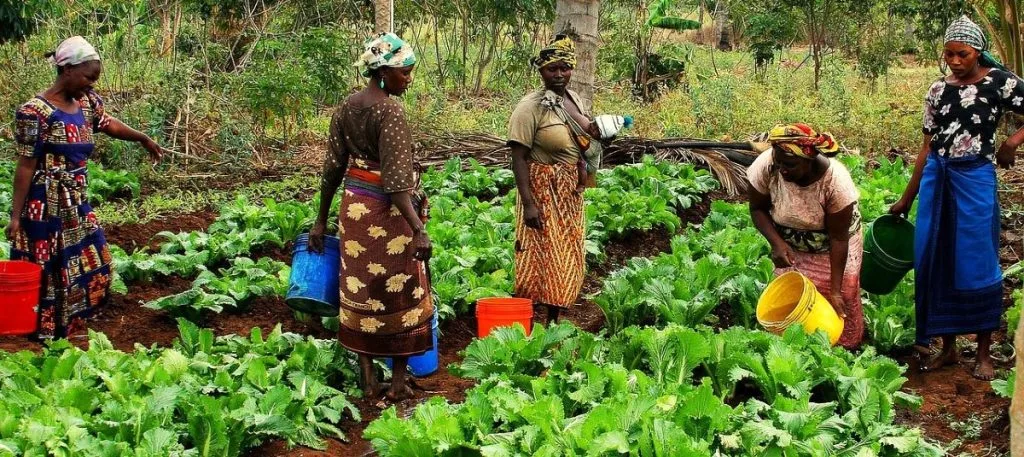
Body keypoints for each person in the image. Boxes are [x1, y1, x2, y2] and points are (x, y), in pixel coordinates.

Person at [890, 15, 1024, 380]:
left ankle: (982, 352)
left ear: (977, 52)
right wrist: (907, 197)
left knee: (977, 258)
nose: (954, 61)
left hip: (975, 177)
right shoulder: (937, 91)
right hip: (939, 176)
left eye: (961, 54)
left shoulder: (999, 82)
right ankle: (948, 348)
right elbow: (926, 146)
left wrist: (1012, 141)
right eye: (948, 54)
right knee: (935, 257)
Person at [7, 36, 162, 340]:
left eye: (95, 79)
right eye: (88, 77)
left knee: (95, 260)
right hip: (45, 203)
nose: (92, 84)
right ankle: (46, 330)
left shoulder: (87, 103)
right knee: (52, 267)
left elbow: (109, 124)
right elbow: (25, 165)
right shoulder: (34, 112)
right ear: (67, 70)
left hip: (76, 198)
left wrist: (143, 137)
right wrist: (15, 216)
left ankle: (74, 321)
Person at [308, 32, 432, 401]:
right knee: (399, 291)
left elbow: (332, 169)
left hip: (355, 210)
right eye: (405, 72)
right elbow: (396, 184)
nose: (408, 79)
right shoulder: (390, 110)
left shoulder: (347, 107)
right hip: (388, 214)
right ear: (384, 72)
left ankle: (367, 378)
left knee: (360, 288)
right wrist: (418, 229)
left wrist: (320, 220)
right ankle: (396, 384)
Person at [508, 35, 600, 325]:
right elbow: (518, 158)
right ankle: (535, 319)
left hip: (569, 192)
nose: (559, 74)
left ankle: (555, 317)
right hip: (542, 189)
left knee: (568, 252)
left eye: (564, 68)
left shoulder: (573, 99)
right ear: (541, 71)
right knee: (542, 255)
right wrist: (529, 204)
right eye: (552, 69)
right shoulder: (529, 107)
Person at [748, 123, 864, 349]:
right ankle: (795, 347)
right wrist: (777, 243)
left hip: (834, 245)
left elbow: (839, 239)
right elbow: (757, 209)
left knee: (842, 297)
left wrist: (835, 290)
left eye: (790, 164)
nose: (782, 169)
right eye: (778, 162)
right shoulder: (766, 166)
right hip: (790, 244)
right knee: (792, 296)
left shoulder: (835, 183)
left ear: (809, 160)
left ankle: (847, 349)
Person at [576, 114, 632, 193]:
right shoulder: (591, 134)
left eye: (597, 130)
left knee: (581, 164)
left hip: (589, 166)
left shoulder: (595, 147)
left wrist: (576, 137)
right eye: (594, 124)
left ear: (601, 137)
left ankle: (581, 185)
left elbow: (586, 151)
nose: (593, 129)